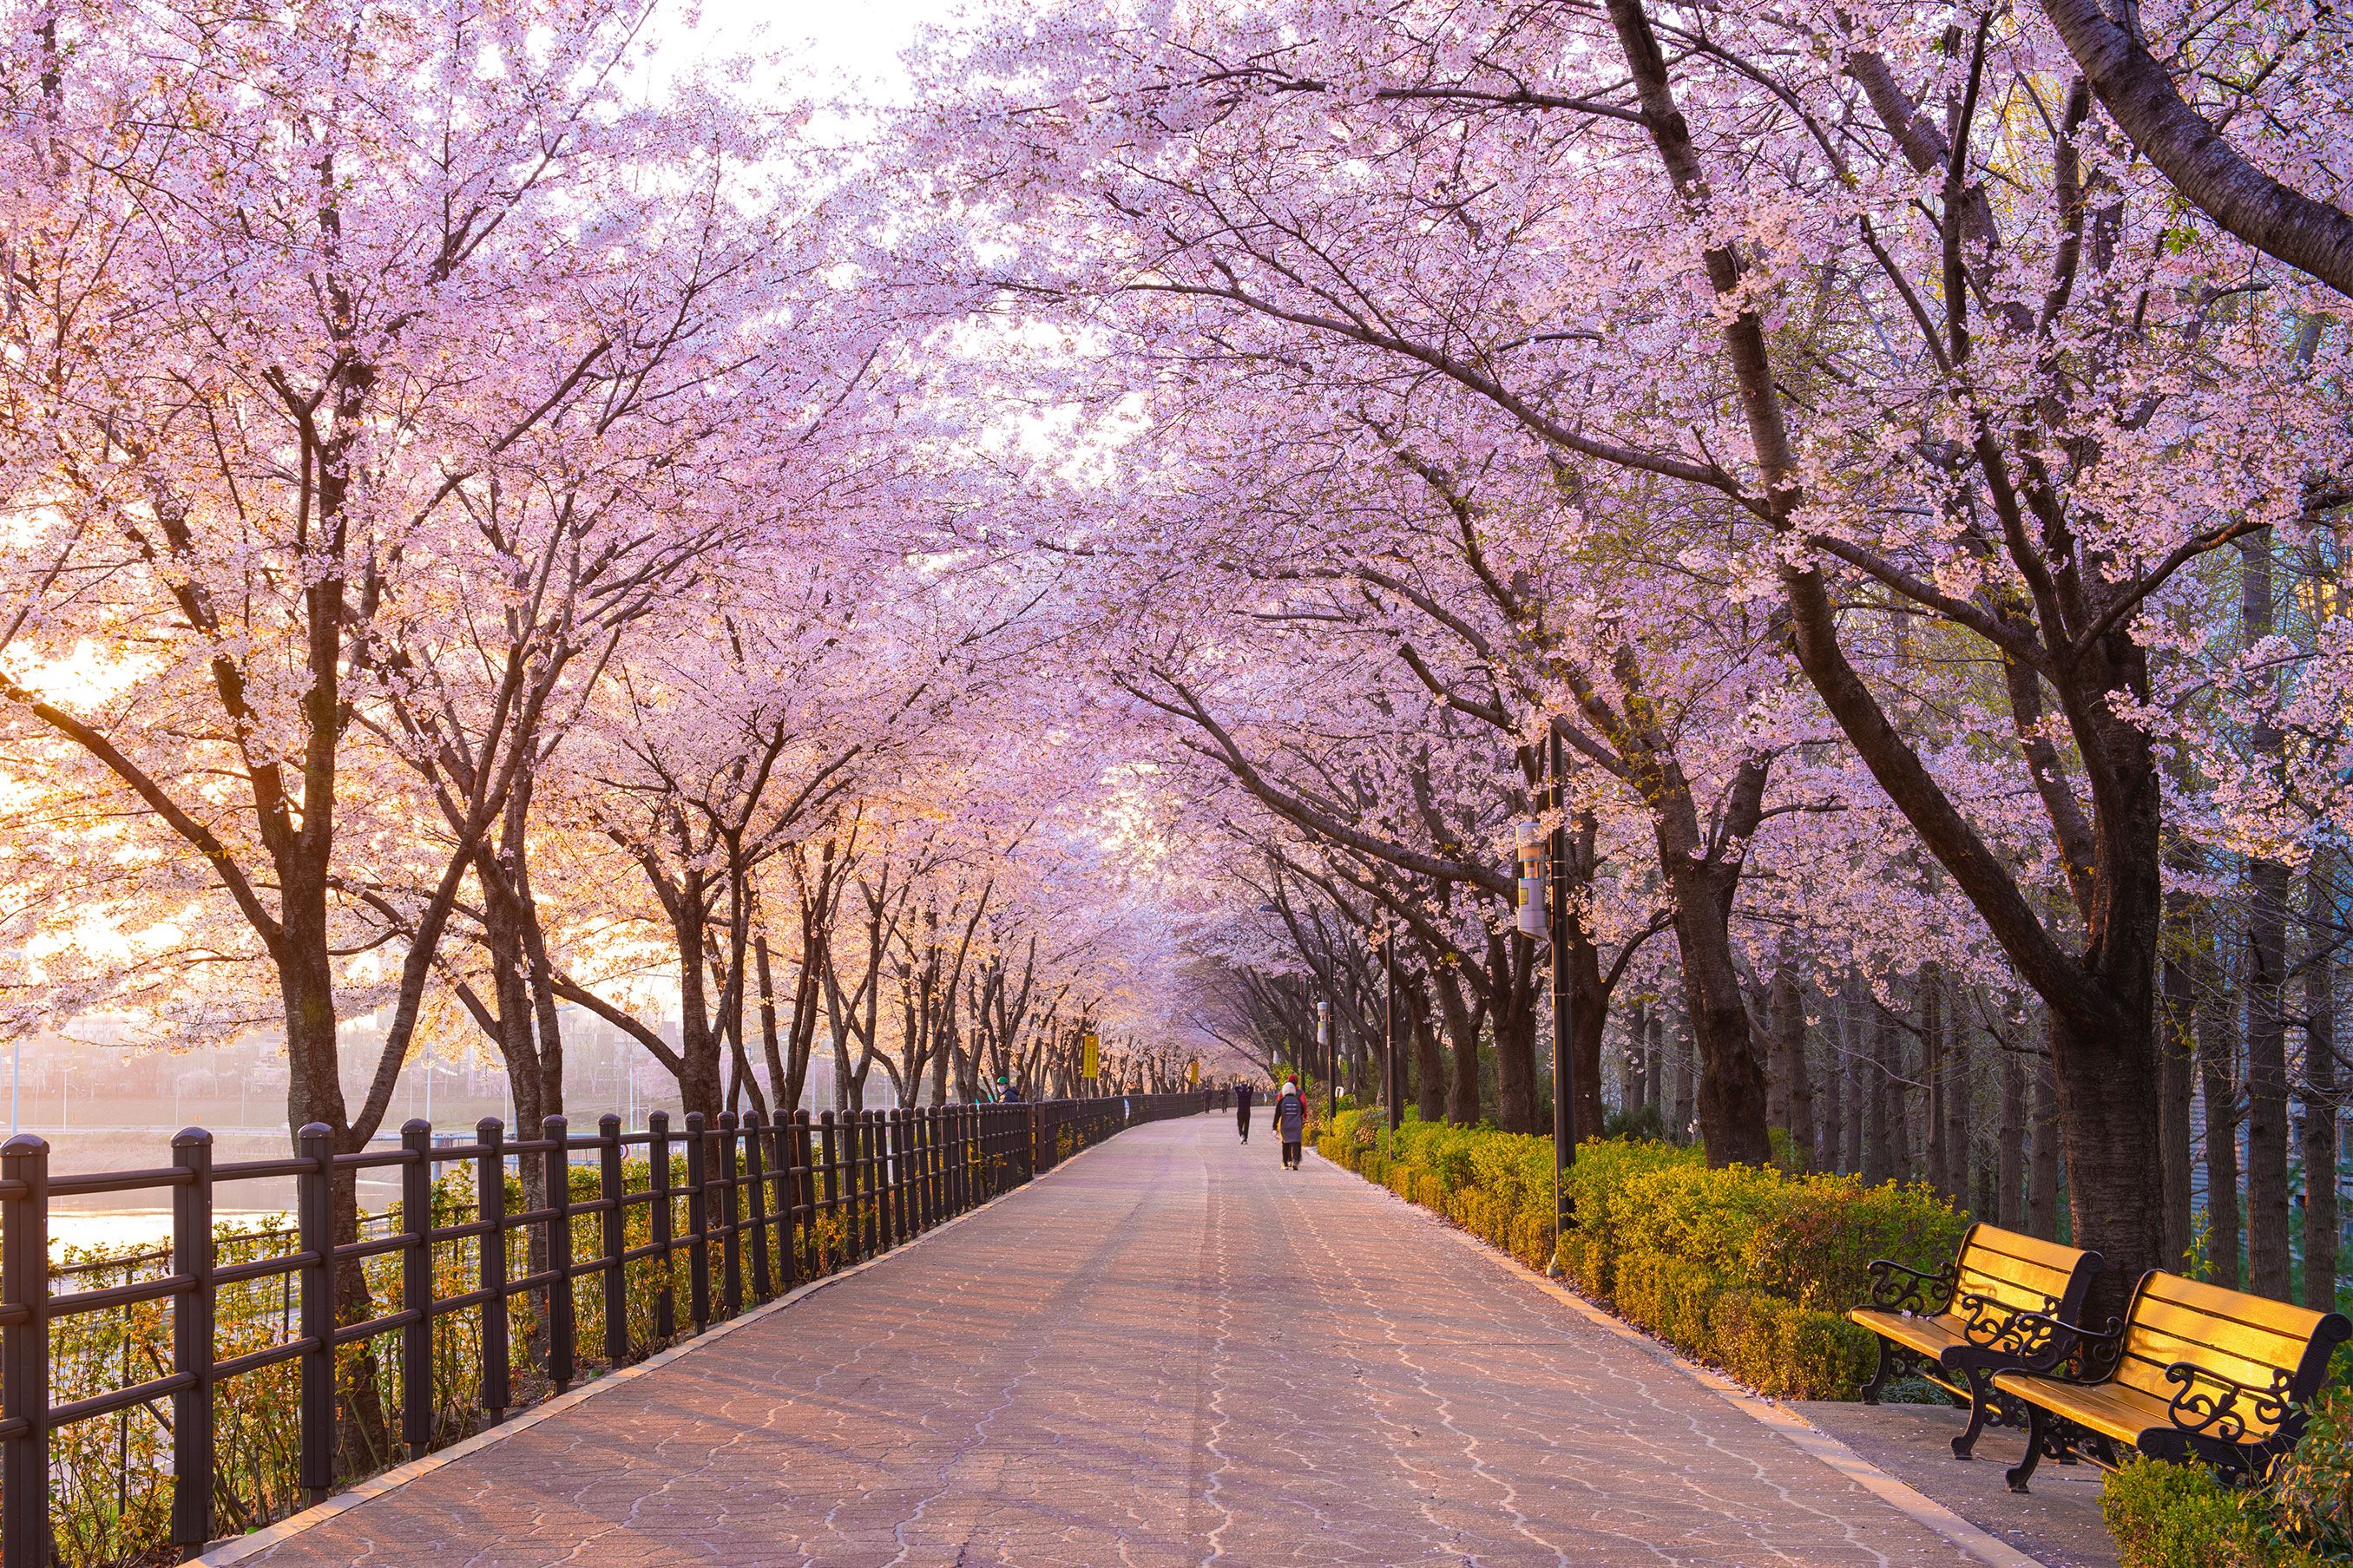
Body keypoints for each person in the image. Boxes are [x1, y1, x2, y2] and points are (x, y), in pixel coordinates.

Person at [1272, 1078, 1305, 1170]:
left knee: (1285, 1143)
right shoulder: (1297, 1101)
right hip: (1296, 1125)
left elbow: (1277, 1114)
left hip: (1285, 1125)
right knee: (1296, 1142)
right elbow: (1302, 1111)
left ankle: (1285, 1162)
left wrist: (1274, 1127)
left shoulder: (1282, 1101)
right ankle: (1295, 1160)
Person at [1235, 1080, 1255, 1144]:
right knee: (1246, 1125)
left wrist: (1241, 1087)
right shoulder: (1249, 1094)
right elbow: (1252, 1088)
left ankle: (1242, 1136)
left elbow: (1236, 1088)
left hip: (1240, 1110)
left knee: (1240, 1124)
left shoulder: (1239, 1094)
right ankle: (1245, 1139)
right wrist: (1247, 1087)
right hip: (1247, 1110)